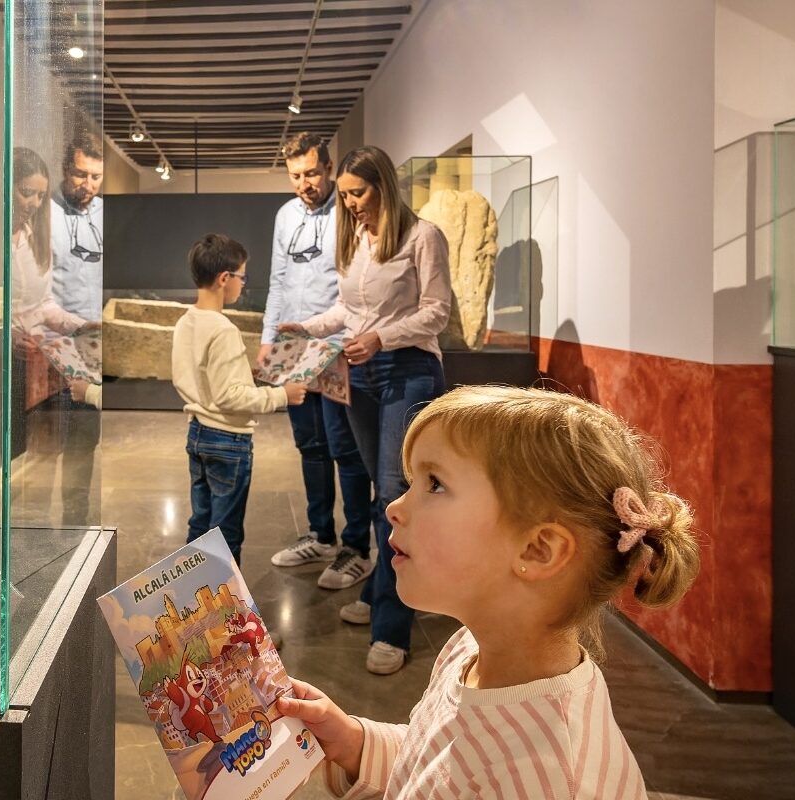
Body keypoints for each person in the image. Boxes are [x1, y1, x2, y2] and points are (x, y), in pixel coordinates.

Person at [278, 386, 701, 799]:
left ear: (538, 550)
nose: (394, 507)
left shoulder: (549, 782)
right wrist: (355, 744)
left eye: (435, 484)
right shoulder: (470, 648)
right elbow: (440, 762)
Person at [280, 145, 450, 675]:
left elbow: (437, 312)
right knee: (380, 490)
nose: (350, 202)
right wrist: (308, 328)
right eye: (347, 194)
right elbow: (347, 310)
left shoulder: (423, 236)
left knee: (396, 494)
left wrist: (381, 338)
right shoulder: (354, 238)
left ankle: (392, 629)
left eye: (359, 192)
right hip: (360, 370)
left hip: (409, 370)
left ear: (385, 185)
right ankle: (382, 589)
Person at [262, 133, 376, 590]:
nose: (304, 183)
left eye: (310, 173)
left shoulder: (347, 212)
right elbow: (278, 279)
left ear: (327, 167)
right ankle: (321, 536)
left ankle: (356, 547)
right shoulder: (286, 215)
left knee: (344, 449)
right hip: (293, 345)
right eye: (295, 176)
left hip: (335, 347)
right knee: (309, 446)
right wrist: (268, 338)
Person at [172, 234, 307, 563]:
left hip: (197, 432)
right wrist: (281, 395)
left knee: (200, 526)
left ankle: (191, 605)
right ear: (224, 278)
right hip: (228, 441)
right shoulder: (223, 330)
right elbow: (230, 396)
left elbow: (198, 381)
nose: (243, 285)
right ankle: (222, 612)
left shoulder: (185, 322)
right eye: (242, 277)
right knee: (225, 535)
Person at [35, 138, 106, 525]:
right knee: (44, 451)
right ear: (65, 169)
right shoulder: (44, 214)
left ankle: (74, 532)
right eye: (81, 174)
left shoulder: (104, 213)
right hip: (50, 348)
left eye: (96, 176)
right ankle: (35, 534)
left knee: (83, 445)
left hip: (92, 350)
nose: (88, 184)